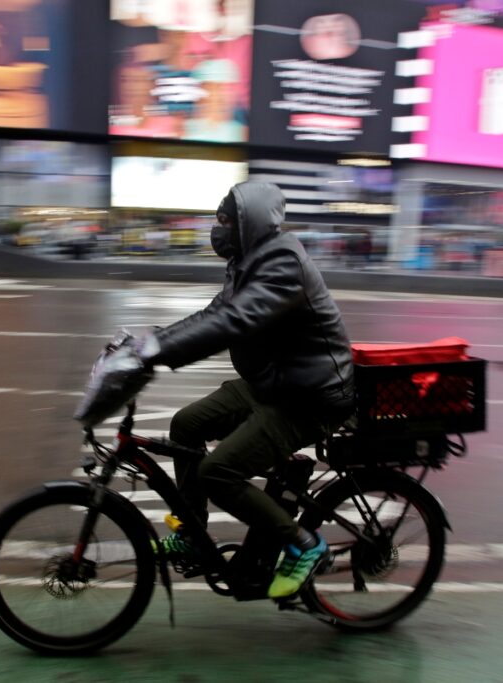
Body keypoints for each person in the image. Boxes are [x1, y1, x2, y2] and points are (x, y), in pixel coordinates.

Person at [137, 181, 355, 599]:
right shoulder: (246, 260)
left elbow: (233, 322)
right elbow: (213, 314)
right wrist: (150, 342)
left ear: (247, 223)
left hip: (310, 396)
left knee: (217, 472)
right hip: (274, 383)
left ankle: (304, 544)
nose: (216, 229)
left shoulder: (282, 262)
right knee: (186, 426)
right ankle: (192, 536)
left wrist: (158, 353)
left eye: (224, 220)